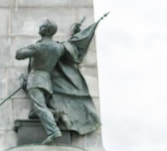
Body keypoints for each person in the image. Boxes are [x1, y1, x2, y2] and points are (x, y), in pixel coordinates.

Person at [14, 14, 106, 144]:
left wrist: (26, 49)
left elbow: (19, 55)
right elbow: (72, 48)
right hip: (48, 82)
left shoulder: (37, 47)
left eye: (41, 26)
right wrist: (75, 34)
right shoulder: (58, 47)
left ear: (46, 30)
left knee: (40, 107)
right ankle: (59, 114)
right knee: (35, 112)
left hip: (35, 80)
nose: (39, 28)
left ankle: (53, 131)